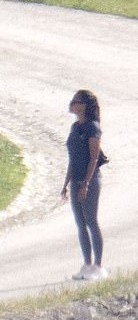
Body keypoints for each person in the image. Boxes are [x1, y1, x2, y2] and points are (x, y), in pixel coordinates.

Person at [61, 90, 107, 281]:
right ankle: (86, 264)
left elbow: (94, 158)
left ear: (85, 105)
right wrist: (66, 183)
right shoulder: (75, 127)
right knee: (80, 224)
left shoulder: (92, 128)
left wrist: (85, 184)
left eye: (76, 101)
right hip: (76, 181)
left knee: (91, 222)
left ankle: (98, 266)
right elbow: (73, 159)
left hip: (90, 181)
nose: (72, 103)